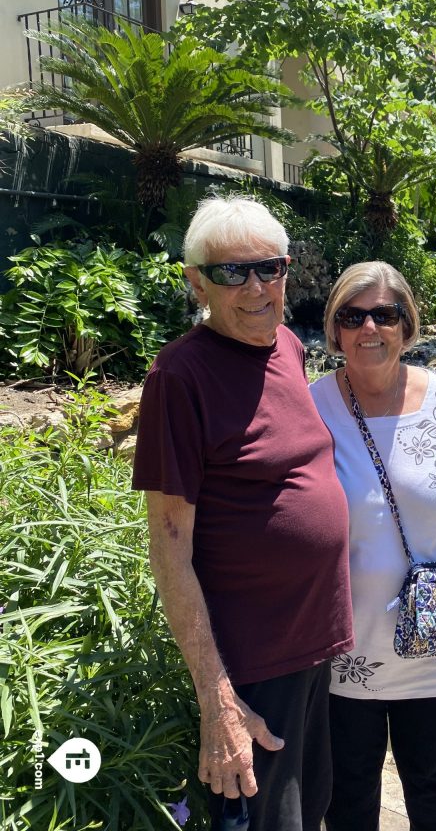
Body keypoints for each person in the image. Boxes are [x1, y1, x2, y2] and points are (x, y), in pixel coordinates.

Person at [132, 195, 353, 831]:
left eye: (270, 268)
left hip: (317, 648)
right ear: (196, 281)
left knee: (311, 814)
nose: (256, 287)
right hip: (255, 668)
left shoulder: (286, 344)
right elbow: (169, 548)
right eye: (233, 272)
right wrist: (217, 698)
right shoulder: (180, 376)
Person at [310, 261, 436, 831]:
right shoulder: (309, 406)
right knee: (347, 795)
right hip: (343, 648)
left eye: (384, 314)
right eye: (353, 316)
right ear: (335, 329)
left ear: (407, 325)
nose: (369, 328)